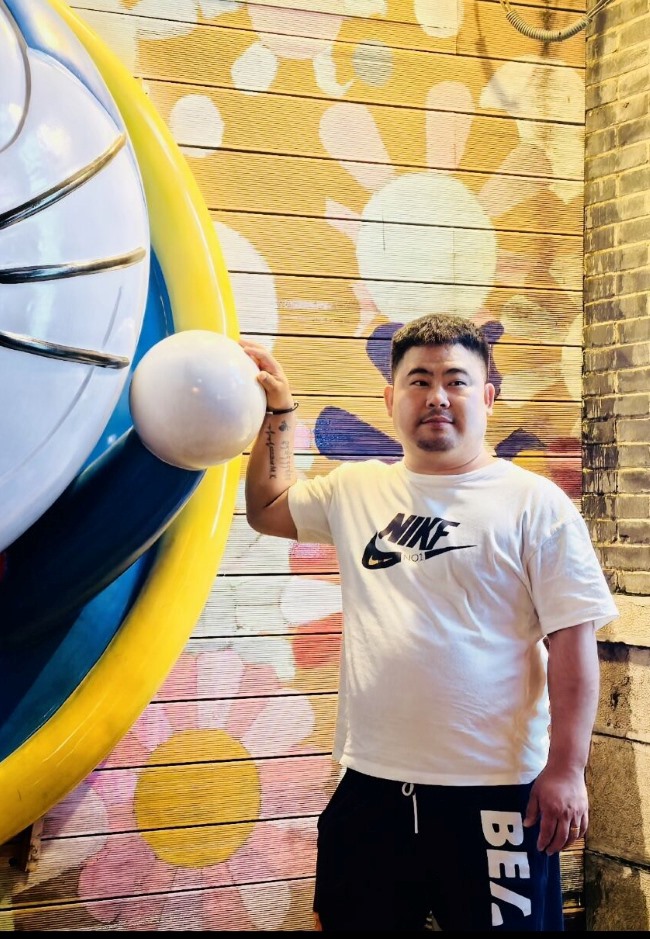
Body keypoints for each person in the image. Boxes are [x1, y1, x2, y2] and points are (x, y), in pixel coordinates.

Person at [240, 314, 618, 933]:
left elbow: (574, 644)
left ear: (486, 397)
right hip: (371, 787)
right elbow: (267, 508)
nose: (437, 396)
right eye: (419, 380)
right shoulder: (354, 489)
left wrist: (567, 770)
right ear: (391, 398)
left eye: (455, 381)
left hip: (497, 792)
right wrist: (278, 412)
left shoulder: (534, 504)